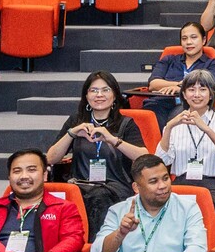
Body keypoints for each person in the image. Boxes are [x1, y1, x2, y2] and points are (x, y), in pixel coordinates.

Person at [46, 71, 148, 232]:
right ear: (86, 96)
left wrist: (113, 140)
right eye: (93, 90)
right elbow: (51, 158)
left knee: (99, 196)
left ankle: (99, 244)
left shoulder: (125, 124)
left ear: (115, 96)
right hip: (80, 185)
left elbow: (144, 156)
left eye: (105, 90)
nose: (99, 95)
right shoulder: (76, 121)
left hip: (115, 187)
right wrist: (72, 133)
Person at [154, 69, 215, 214]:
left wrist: (207, 129)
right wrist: (168, 128)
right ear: (184, 95)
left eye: (203, 89)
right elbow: (162, 161)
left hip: (213, 187)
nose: (197, 95)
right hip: (180, 185)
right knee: (161, 204)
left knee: (192, 207)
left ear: (211, 94)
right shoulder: (174, 124)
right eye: (191, 90)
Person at [143, 21, 215, 128]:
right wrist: (177, 85)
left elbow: (211, 83)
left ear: (203, 40)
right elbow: (153, 84)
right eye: (184, 38)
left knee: (183, 115)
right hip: (161, 102)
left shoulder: (212, 64)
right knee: (147, 115)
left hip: (191, 104)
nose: (188, 42)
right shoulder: (169, 60)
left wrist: (181, 88)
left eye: (193, 37)